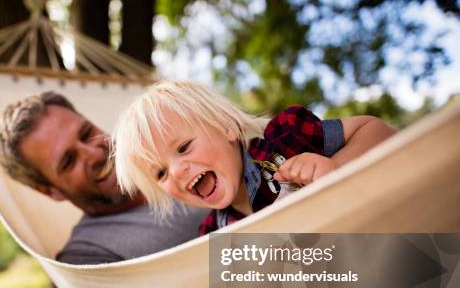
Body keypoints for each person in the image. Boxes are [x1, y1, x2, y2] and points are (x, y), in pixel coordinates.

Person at [0, 91, 208, 288]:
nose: (94, 154)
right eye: (68, 161)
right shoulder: (88, 257)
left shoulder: (178, 156)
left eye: (86, 134)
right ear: (50, 191)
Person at [113, 80, 395, 234]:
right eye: (160, 173)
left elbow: (377, 129)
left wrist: (336, 167)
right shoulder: (214, 237)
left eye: (184, 147)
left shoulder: (287, 141)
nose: (175, 172)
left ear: (226, 126)